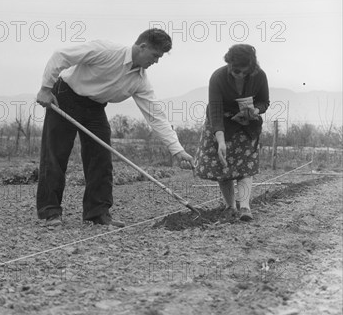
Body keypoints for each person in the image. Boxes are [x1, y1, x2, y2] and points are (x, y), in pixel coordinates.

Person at [36, 28, 194, 227]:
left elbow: (156, 116)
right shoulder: (105, 50)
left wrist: (177, 150)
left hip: (95, 107)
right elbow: (62, 55)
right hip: (65, 95)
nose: (156, 61)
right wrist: (45, 88)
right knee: (55, 155)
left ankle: (97, 213)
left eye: (160, 57)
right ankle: (50, 212)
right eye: (155, 55)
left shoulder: (140, 81)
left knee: (101, 158)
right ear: (142, 47)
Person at [195, 44, 270, 221]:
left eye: (245, 72)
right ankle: (230, 207)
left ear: (252, 68)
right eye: (237, 71)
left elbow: (264, 102)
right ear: (229, 64)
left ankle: (245, 208)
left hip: (246, 125)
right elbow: (215, 111)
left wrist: (255, 111)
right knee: (224, 165)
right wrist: (220, 140)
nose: (241, 75)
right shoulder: (218, 77)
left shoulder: (260, 76)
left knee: (246, 166)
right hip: (221, 123)